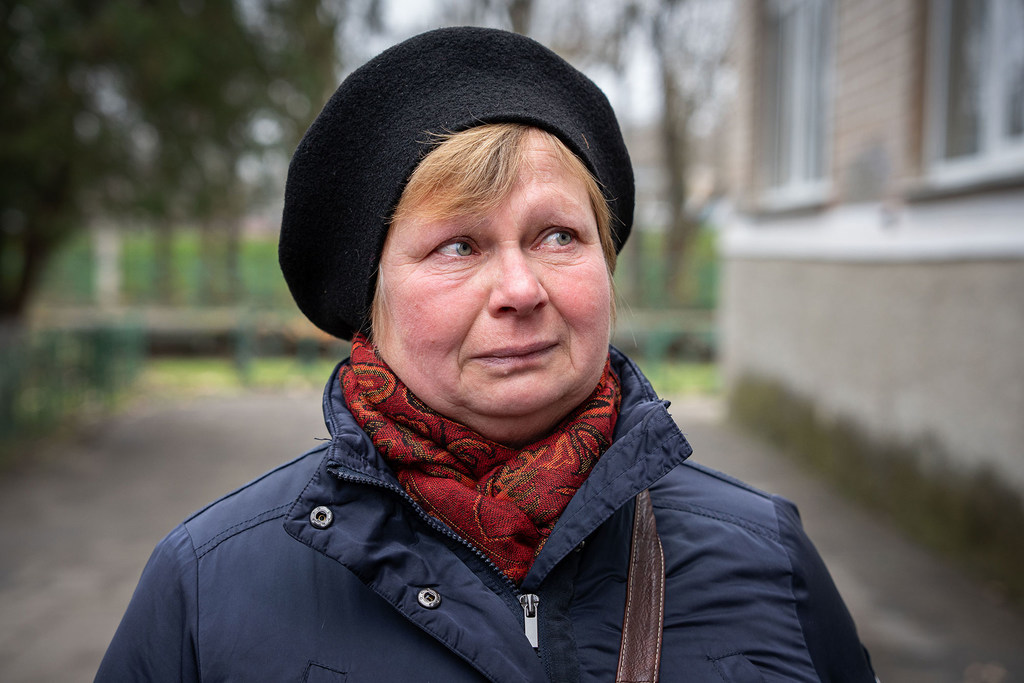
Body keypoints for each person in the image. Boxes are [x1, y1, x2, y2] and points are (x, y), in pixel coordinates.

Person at [96, 27, 877, 682]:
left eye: (559, 236)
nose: (520, 287)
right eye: (459, 244)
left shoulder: (768, 557)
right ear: (372, 296)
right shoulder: (206, 585)